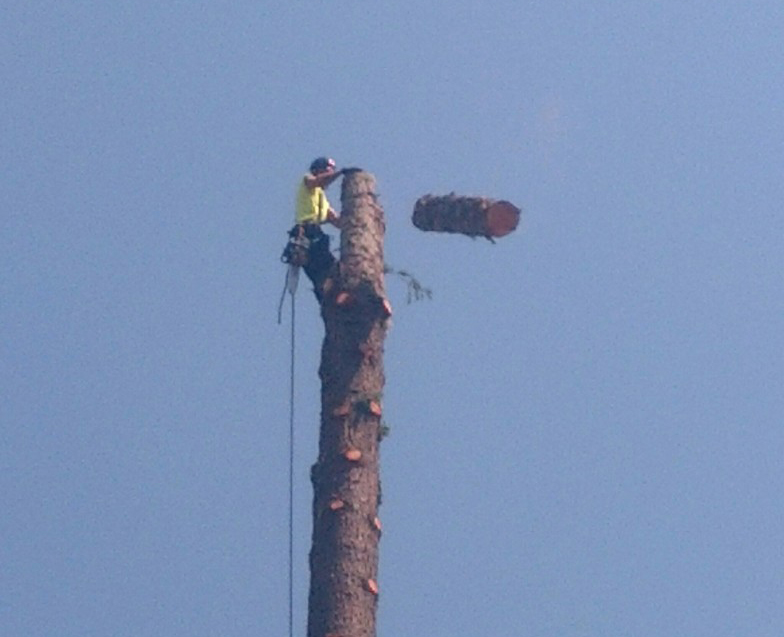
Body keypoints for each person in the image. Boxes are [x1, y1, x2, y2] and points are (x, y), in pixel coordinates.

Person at [282, 157, 343, 300]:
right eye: (328, 170)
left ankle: (332, 298)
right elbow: (319, 181)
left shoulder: (323, 201)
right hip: (307, 232)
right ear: (317, 170)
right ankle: (328, 295)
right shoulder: (308, 180)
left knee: (330, 270)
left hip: (314, 236)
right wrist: (340, 173)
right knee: (325, 270)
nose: (330, 174)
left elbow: (337, 221)